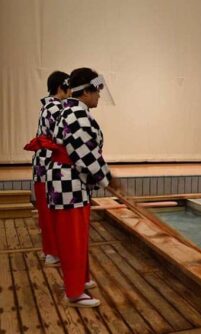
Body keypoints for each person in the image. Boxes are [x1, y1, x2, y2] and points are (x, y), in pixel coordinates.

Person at [45, 67, 118, 308]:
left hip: (70, 182)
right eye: (96, 90)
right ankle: (74, 293)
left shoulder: (71, 111)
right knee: (72, 238)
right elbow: (85, 154)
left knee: (77, 237)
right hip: (69, 184)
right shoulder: (77, 115)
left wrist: (105, 177)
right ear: (85, 92)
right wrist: (108, 180)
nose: (98, 95)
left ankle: (80, 280)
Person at [24, 71, 71, 267]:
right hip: (47, 166)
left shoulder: (50, 106)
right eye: (70, 88)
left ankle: (51, 251)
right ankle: (52, 253)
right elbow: (63, 136)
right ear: (62, 87)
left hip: (43, 165)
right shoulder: (55, 108)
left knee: (48, 211)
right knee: (49, 211)